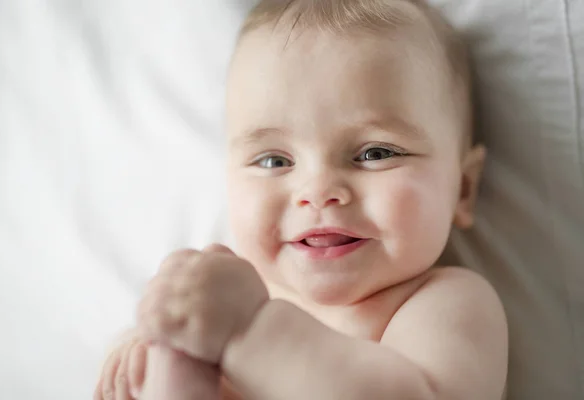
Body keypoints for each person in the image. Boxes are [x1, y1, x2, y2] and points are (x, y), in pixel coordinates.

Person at [94, 0, 508, 399]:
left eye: (375, 153)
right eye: (274, 160)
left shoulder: (445, 303)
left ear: (463, 189)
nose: (317, 191)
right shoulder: (226, 296)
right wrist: (157, 348)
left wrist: (248, 330)